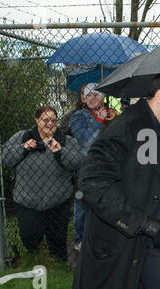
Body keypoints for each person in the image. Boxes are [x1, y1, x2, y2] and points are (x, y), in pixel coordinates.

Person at [71, 72, 160, 289]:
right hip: (126, 244)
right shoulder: (126, 127)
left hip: (159, 245)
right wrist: (143, 224)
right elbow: (91, 181)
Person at [1, 106, 83, 261]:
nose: (49, 123)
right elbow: (6, 158)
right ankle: (35, 255)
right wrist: (24, 148)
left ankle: (57, 260)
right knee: (29, 237)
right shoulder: (22, 136)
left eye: (53, 120)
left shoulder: (66, 140)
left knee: (58, 243)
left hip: (58, 200)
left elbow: (78, 162)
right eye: (45, 119)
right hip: (27, 199)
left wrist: (60, 151)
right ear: (37, 120)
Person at [69, 83, 118, 251]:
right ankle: (80, 242)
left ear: (103, 97)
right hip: (87, 169)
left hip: (109, 168)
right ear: (83, 98)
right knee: (83, 206)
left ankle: (105, 241)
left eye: (96, 94)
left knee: (108, 205)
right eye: (88, 95)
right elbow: (86, 143)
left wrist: (113, 119)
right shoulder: (78, 117)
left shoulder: (112, 115)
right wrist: (99, 120)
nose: (92, 98)